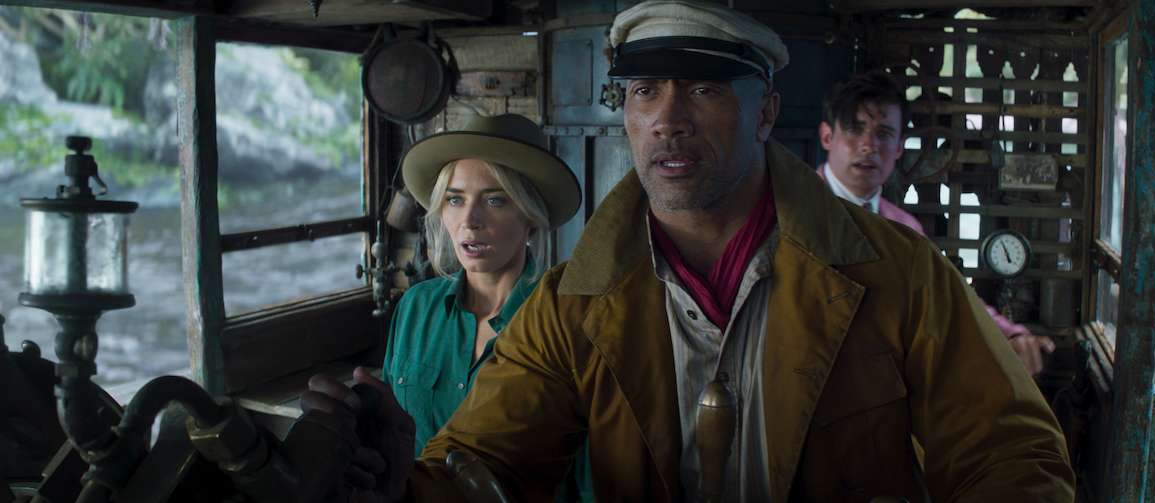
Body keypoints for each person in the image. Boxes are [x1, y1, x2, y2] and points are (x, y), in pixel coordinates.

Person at [303, 1, 1075, 501]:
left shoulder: (897, 275)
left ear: (767, 109)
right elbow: (483, 468)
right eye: (644, 92)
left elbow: (1015, 458)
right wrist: (400, 480)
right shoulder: (573, 305)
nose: (668, 119)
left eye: (703, 89)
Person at [383, 113, 590, 500]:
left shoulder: (562, 322)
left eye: (495, 200)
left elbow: (587, 472)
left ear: (530, 216)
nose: (470, 221)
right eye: (455, 200)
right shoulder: (415, 308)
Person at [815, 70, 1058, 375]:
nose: (868, 145)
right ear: (827, 136)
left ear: (900, 147)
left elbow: (950, 296)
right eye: (855, 129)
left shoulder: (904, 227)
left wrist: (1010, 334)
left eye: (884, 133)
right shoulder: (791, 211)